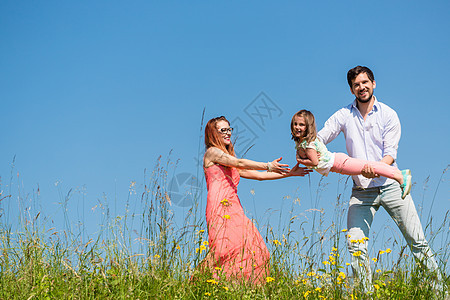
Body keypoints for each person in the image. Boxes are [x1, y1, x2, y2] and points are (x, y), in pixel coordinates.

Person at [317, 66, 442, 291]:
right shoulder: (343, 115)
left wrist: (376, 169)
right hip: (361, 191)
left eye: (365, 82)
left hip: (391, 185)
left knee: (417, 241)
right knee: (355, 244)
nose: (361, 87)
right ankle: (366, 294)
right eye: (356, 85)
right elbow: (322, 136)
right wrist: (307, 144)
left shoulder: (388, 114)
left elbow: (390, 154)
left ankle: (440, 292)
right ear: (351, 89)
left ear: (374, 84)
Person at [198, 116, 311, 284]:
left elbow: (259, 176)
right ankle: (199, 283)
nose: (228, 133)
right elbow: (240, 162)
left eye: (229, 129)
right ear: (213, 134)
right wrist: (268, 165)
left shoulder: (229, 163)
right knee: (223, 249)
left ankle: (233, 286)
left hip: (235, 208)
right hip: (219, 207)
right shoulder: (212, 152)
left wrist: (289, 173)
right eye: (223, 130)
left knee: (251, 246)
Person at [291, 109, 412, 199]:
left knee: (369, 166)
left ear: (308, 127)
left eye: (301, 125)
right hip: (337, 163)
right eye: (295, 124)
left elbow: (314, 162)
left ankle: (399, 176)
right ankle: (400, 174)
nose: (297, 127)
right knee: (369, 165)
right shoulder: (303, 143)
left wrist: (300, 161)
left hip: (339, 163)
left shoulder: (308, 144)